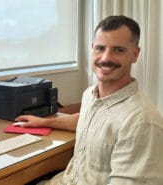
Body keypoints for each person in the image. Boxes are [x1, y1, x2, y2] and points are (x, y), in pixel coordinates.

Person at [16, 15, 163, 185]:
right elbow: (86, 119)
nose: (106, 58)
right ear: (92, 49)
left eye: (118, 50)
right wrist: (43, 122)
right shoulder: (90, 95)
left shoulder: (142, 123)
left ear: (135, 54)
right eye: (100, 48)